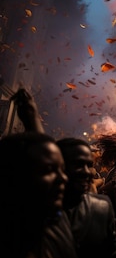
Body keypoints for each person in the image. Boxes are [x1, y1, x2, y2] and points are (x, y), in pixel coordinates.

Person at [0, 88, 78, 258]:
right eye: (50, 170)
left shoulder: (53, 219)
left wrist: (33, 119)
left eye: (62, 169)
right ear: (14, 177)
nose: (64, 178)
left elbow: (39, 156)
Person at [57, 137, 116, 258]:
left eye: (90, 165)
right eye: (78, 164)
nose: (87, 172)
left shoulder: (101, 208)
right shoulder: (40, 210)